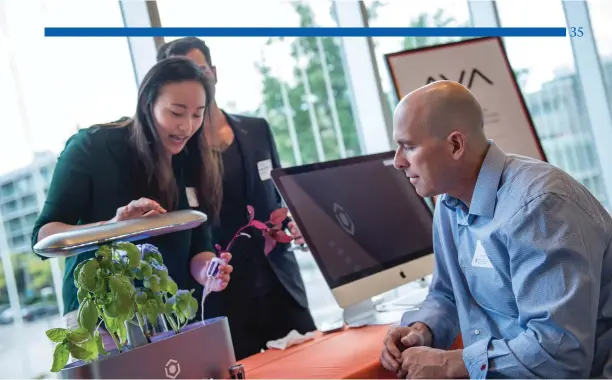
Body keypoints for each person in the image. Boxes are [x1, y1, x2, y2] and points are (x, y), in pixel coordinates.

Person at [380, 80, 612, 378]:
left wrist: (450, 364)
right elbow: (448, 294)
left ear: (455, 145)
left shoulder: (540, 207)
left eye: (409, 147)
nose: (398, 161)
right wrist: (421, 329)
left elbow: (558, 354)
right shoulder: (449, 204)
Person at [31, 57, 234, 343]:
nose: (187, 127)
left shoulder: (191, 157)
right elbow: (42, 237)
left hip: (168, 314)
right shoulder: (92, 147)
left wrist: (209, 271)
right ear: (146, 104)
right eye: (176, 113)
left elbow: (198, 248)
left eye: (197, 114)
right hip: (101, 319)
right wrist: (112, 228)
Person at [157, 37, 317, 360]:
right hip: (225, 303)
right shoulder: (176, 153)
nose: (195, 81)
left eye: (199, 70)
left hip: (282, 288)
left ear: (213, 72)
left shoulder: (256, 130)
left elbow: (279, 198)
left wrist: (296, 224)